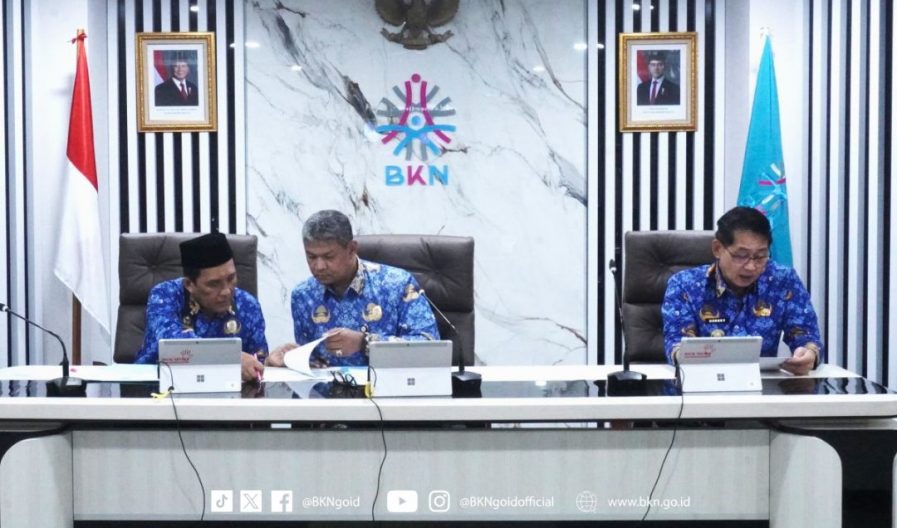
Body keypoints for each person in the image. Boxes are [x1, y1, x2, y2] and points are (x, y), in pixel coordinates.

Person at [661, 206, 823, 376]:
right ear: (717, 249)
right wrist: (687, 355)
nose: (751, 266)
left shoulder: (783, 280)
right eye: (741, 255)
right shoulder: (684, 285)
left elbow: (805, 334)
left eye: (760, 256)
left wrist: (809, 354)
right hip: (704, 382)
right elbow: (676, 343)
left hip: (762, 383)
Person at [267, 210, 439, 369]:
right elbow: (312, 364)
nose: (319, 266)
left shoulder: (397, 284)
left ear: (352, 249)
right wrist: (290, 360)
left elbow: (430, 346)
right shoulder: (303, 295)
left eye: (328, 257)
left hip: (386, 387)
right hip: (326, 390)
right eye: (311, 257)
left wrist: (364, 343)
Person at [134, 232, 267, 382]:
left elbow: (257, 361)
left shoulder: (248, 304)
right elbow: (172, 344)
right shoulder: (164, 295)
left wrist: (269, 363)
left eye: (231, 279)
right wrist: (231, 357)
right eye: (214, 284)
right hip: (155, 386)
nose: (226, 291)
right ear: (189, 284)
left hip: (225, 388)